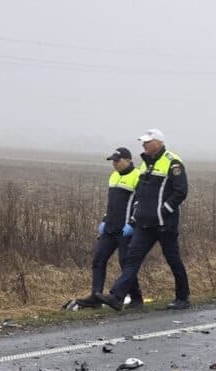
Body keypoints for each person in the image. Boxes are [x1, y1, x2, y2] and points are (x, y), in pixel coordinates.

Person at [95, 129, 191, 311]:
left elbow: (181, 191)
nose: (143, 145)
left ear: (158, 143)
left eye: (147, 142)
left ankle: (183, 297)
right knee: (131, 259)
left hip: (164, 224)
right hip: (144, 224)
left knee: (173, 259)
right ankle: (117, 296)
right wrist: (137, 213)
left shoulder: (172, 162)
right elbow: (140, 191)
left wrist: (164, 210)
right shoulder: (146, 164)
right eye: (143, 142)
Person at [75, 148, 143, 308]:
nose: (114, 164)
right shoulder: (113, 177)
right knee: (98, 260)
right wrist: (105, 220)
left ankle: (136, 298)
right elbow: (111, 204)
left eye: (117, 160)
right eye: (113, 160)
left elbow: (139, 203)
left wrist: (132, 224)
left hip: (125, 229)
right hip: (110, 228)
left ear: (127, 160)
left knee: (125, 263)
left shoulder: (137, 176)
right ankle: (96, 296)